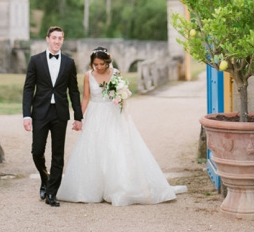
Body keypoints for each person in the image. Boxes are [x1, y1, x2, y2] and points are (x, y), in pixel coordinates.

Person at [58, 47, 187, 206]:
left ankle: (118, 187)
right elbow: (85, 98)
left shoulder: (115, 73)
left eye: (101, 64)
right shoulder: (87, 76)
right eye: (95, 64)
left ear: (107, 62)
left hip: (113, 114)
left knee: (116, 147)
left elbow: (122, 95)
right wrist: (79, 118)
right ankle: (93, 189)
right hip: (96, 114)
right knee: (94, 148)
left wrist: (120, 100)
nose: (98, 67)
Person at [22, 26, 83, 207]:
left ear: (62, 40)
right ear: (47, 39)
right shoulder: (35, 60)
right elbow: (28, 89)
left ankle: (52, 193)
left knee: (58, 154)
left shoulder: (68, 62)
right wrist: (27, 115)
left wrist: (78, 116)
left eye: (60, 38)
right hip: (40, 112)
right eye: (54, 38)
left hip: (60, 114)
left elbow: (74, 91)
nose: (57, 41)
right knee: (37, 151)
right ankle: (45, 177)